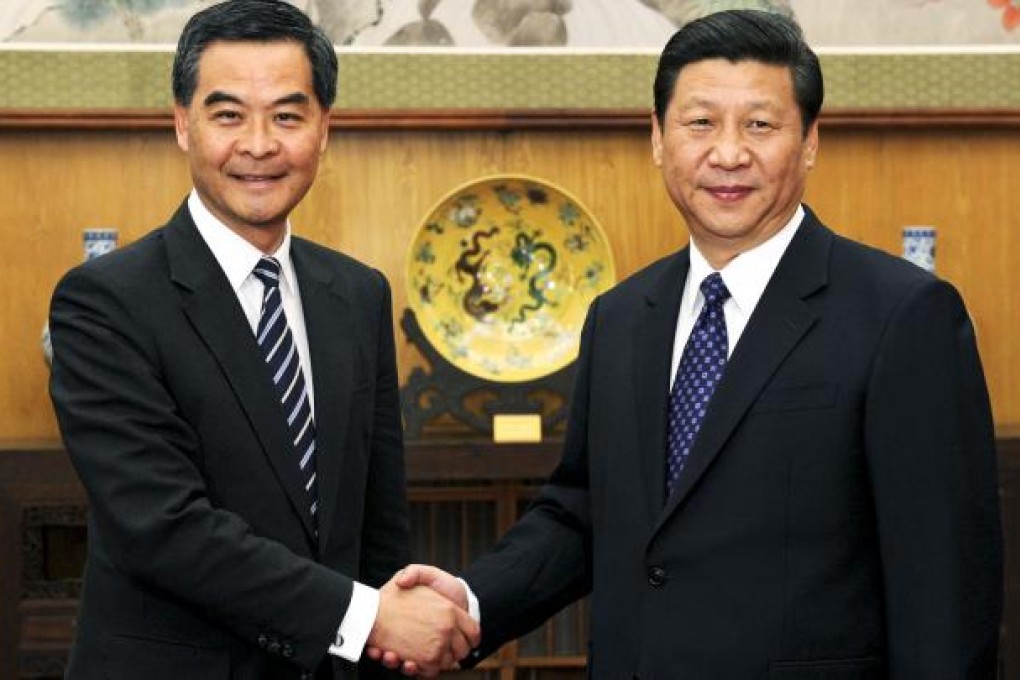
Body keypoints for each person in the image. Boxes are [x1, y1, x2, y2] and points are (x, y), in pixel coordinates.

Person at [383, 9, 1003, 678]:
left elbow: (945, 594)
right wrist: (473, 600)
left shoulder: (902, 316)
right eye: (700, 122)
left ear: (810, 142)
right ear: (657, 138)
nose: (728, 154)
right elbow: (584, 513)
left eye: (760, 125)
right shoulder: (620, 317)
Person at [47, 1, 478, 678]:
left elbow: (378, 526)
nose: (258, 145)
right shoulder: (106, 301)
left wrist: (386, 638)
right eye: (228, 115)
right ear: (182, 124)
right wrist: (367, 617)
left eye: (286, 116)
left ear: (324, 128)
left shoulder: (358, 294)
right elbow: (164, 528)